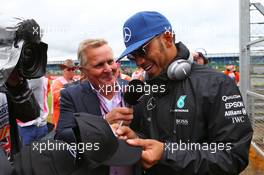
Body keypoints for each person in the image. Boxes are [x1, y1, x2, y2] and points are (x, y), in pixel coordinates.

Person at [116, 11, 253, 175]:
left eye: (143, 51)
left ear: (167, 39)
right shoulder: (145, 88)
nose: (139, 61)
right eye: (133, 56)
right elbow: (149, 137)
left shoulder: (218, 84)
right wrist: (137, 138)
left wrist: (167, 154)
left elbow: (233, 155)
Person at [56, 39, 139, 175]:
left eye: (110, 62)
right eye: (99, 65)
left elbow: (147, 130)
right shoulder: (71, 95)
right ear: (84, 71)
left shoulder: (131, 88)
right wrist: (102, 123)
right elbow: (62, 138)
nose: (108, 69)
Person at [17, 76, 49, 146]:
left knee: (28, 155)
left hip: (28, 126)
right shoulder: (40, 78)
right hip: (35, 125)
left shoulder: (36, 78)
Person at [51, 59, 77, 128]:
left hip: (73, 119)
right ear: (63, 70)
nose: (71, 71)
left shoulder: (75, 82)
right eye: (68, 69)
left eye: (73, 69)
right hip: (60, 120)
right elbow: (59, 99)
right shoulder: (57, 82)